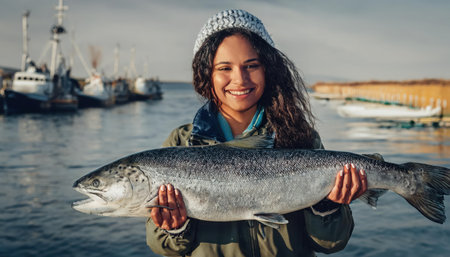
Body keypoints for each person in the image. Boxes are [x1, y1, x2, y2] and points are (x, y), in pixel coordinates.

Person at [146, 9, 373, 257]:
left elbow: (331, 243)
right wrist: (175, 229)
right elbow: (162, 248)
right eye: (224, 68)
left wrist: (327, 206)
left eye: (251, 65)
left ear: (268, 69)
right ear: (206, 74)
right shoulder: (182, 143)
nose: (239, 79)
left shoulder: (299, 136)